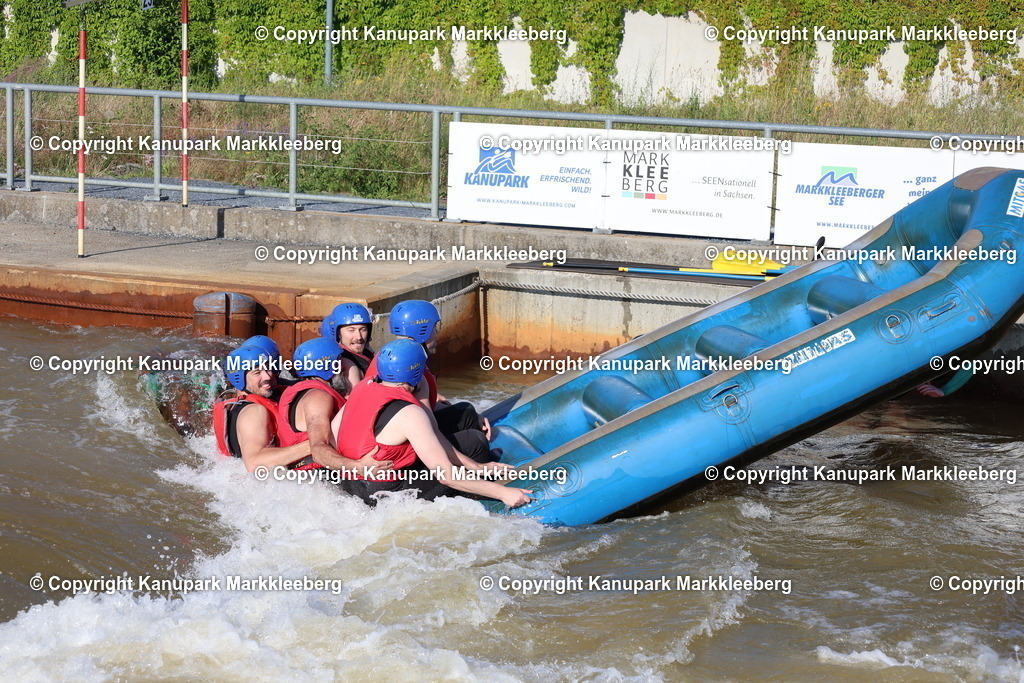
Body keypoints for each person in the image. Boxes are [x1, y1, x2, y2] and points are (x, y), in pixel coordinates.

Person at [336, 339, 531, 508]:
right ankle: (479, 500)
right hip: (384, 497)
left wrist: (476, 467)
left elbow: (335, 432)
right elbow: (445, 475)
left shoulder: (363, 386)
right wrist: (502, 493)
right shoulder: (411, 414)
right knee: (473, 445)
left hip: (352, 484)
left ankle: (479, 473)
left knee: (467, 441)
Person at [386, 299, 495, 463]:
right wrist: (470, 463)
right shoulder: (410, 367)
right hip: (403, 447)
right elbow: (428, 428)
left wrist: (437, 399)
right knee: (475, 441)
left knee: (467, 412)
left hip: (405, 432)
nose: (437, 334)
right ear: (421, 330)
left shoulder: (394, 357)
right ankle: (479, 482)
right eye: (433, 328)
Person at [277, 337, 391, 475]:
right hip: (319, 474)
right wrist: (358, 467)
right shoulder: (318, 398)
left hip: (310, 476)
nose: (344, 368)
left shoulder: (300, 391)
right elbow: (318, 450)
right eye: (338, 362)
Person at [213, 339, 314, 473]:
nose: (267, 376)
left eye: (268, 368)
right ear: (239, 378)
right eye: (257, 372)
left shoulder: (237, 405)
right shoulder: (254, 411)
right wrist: (314, 445)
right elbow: (254, 463)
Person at [321, 302, 375, 388]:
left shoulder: (366, 354)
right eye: (351, 330)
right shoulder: (346, 364)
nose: (359, 337)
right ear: (338, 333)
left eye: (363, 329)